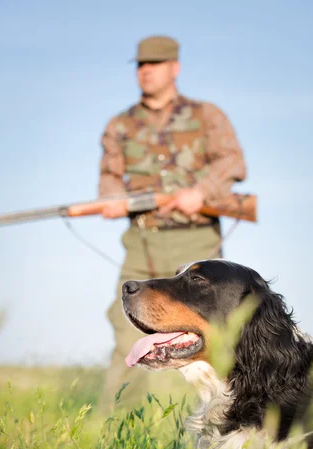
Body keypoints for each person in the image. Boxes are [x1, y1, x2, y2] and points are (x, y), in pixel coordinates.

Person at [98, 35, 247, 408]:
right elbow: (110, 178)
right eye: (141, 65)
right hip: (142, 240)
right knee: (124, 332)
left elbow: (233, 163)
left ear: (174, 68)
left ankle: (232, 422)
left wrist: (202, 191)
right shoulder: (120, 124)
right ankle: (114, 430)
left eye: (155, 64)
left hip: (196, 242)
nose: (146, 72)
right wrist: (111, 200)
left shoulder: (206, 115)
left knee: (213, 341)